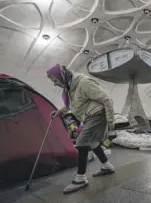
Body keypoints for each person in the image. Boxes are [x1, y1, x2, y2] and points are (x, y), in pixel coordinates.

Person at [47, 64, 115, 194]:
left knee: (81, 142)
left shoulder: (84, 83)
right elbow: (70, 106)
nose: (55, 84)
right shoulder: (69, 88)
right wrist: (58, 112)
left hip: (97, 115)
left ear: (61, 76)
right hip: (88, 117)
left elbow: (107, 99)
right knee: (93, 143)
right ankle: (107, 166)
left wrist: (111, 123)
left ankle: (81, 178)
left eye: (55, 81)